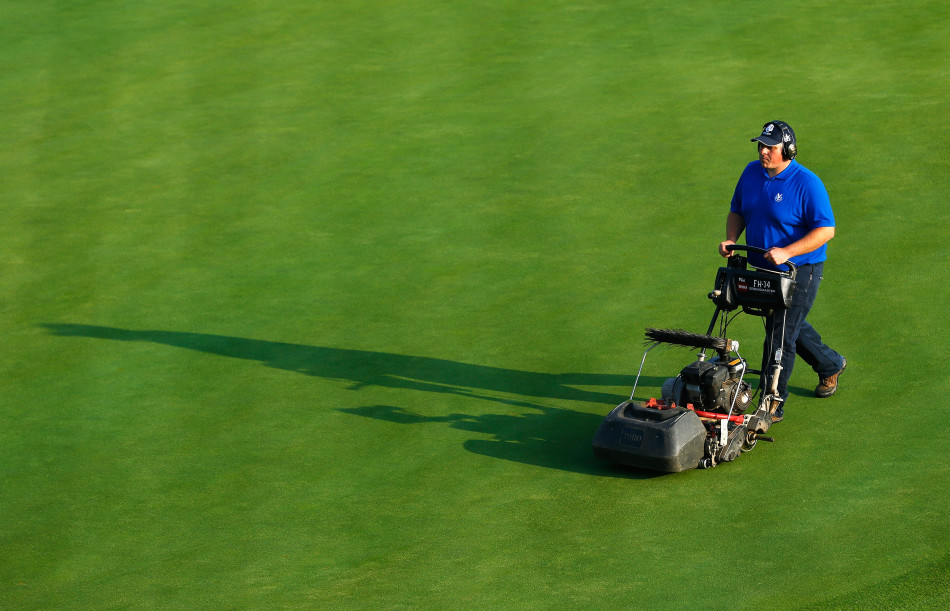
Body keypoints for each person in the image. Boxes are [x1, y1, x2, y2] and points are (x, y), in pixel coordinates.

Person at [718, 120, 846, 422]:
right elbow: (737, 209)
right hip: (763, 269)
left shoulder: (807, 183)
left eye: (770, 147)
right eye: (761, 145)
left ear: (787, 150)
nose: (763, 152)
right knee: (786, 324)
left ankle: (771, 403)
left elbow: (826, 230)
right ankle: (830, 365)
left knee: (778, 335)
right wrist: (732, 239)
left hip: (799, 269)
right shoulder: (751, 173)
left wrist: (787, 251)